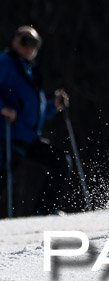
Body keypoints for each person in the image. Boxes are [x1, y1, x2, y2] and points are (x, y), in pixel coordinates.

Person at [0, 25, 69, 217]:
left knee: (60, 161)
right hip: (7, 135)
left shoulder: (30, 71)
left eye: (35, 44)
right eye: (25, 42)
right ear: (15, 42)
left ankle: (46, 209)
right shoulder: (6, 63)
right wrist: (3, 108)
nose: (30, 48)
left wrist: (54, 106)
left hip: (27, 137)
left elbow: (33, 111)